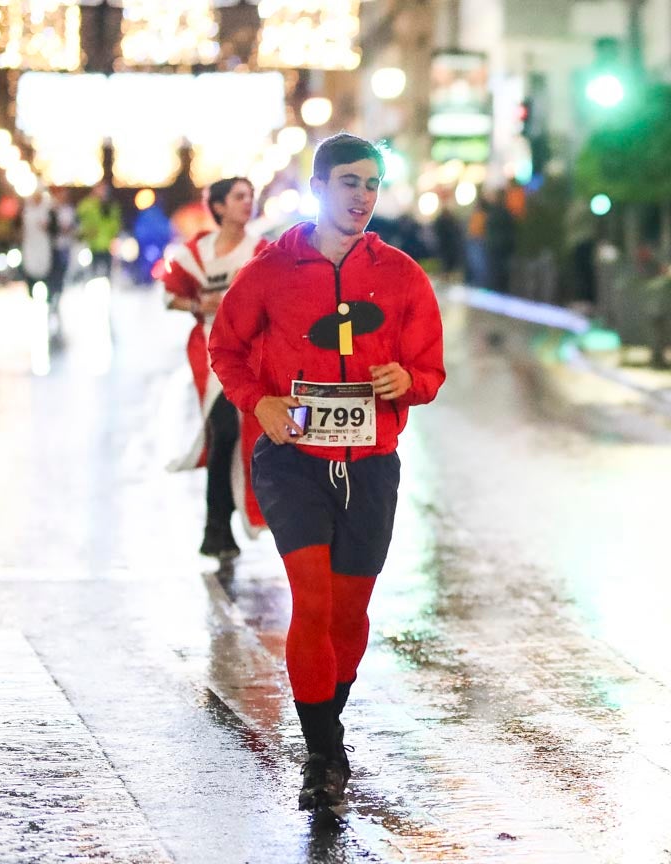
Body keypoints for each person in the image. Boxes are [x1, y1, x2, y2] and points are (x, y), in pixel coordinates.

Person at [209, 134, 445, 811]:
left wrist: (408, 379)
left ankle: (326, 722)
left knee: (350, 614)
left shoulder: (400, 273)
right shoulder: (271, 269)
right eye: (349, 182)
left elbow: (429, 371)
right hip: (293, 461)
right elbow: (227, 348)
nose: (363, 196)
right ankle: (320, 754)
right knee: (310, 602)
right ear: (319, 188)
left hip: (371, 464)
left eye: (372, 184)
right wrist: (263, 402)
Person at [162, 177, 268, 560]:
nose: (248, 202)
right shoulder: (196, 252)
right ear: (219, 207)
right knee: (222, 432)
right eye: (240, 196)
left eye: (250, 195)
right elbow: (170, 295)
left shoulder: (262, 251)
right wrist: (198, 306)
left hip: (251, 354)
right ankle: (217, 529)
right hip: (208, 353)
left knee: (240, 438)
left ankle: (230, 525)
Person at [75, 182, 123, 280]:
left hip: (107, 246)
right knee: (91, 274)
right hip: (92, 245)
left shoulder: (110, 206)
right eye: (100, 189)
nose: (102, 192)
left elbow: (115, 223)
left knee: (107, 274)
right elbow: (80, 220)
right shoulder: (87, 205)